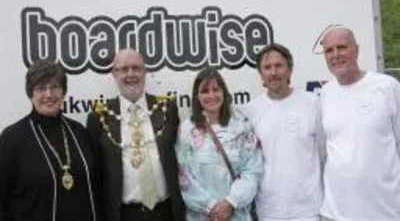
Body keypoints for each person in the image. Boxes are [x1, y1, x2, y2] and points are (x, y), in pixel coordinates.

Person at [86, 48, 185, 221]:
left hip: (166, 212)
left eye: (136, 68)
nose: (131, 74)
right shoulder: (99, 117)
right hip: (124, 215)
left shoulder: (167, 109)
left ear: (145, 72)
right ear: (114, 74)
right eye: (124, 69)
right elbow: (95, 175)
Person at [0, 60, 101, 221]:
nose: (49, 94)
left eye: (54, 87)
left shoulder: (79, 132)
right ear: (30, 94)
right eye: (41, 88)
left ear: (63, 92)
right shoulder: (12, 138)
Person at [319, 26, 400, 221]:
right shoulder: (325, 93)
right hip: (335, 214)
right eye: (329, 50)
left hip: (384, 211)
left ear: (357, 49)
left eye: (342, 47)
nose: (336, 55)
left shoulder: (387, 87)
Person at [245, 44, 324, 221]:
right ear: (261, 74)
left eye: (279, 65)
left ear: (290, 70)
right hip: (269, 210)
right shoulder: (252, 111)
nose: (273, 72)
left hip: (309, 210)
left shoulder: (312, 103)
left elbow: (324, 154)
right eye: (267, 67)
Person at [176, 67, 263, 221]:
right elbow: (184, 176)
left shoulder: (242, 125)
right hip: (201, 216)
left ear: (224, 92)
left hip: (237, 214)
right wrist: (210, 206)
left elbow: (253, 170)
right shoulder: (186, 130)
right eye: (205, 91)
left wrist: (231, 202)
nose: (211, 95)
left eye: (216, 89)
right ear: (197, 96)